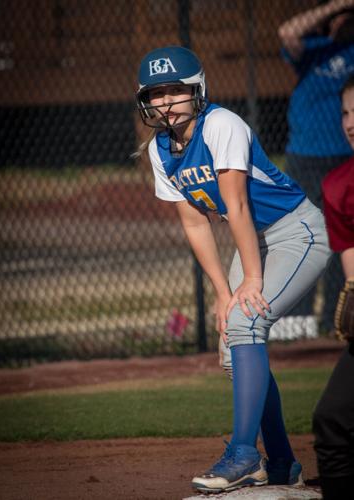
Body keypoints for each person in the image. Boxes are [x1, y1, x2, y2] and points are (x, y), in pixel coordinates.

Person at [135, 45, 332, 494]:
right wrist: (224, 292)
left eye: (175, 91)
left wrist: (252, 281)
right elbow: (194, 222)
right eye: (156, 93)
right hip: (256, 241)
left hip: (296, 232)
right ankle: (281, 462)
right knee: (233, 343)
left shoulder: (220, 124)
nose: (165, 102)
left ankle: (245, 454)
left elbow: (238, 205)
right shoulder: (160, 150)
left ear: (198, 90)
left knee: (247, 321)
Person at [278, 0, 354, 334]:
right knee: (302, 238)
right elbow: (287, 32)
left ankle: (337, 321)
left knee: (343, 241)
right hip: (305, 156)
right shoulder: (313, 48)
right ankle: (299, 324)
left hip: (344, 159)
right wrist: (338, 5)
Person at [312, 74, 354, 500]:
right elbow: (353, 273)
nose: (351, 121)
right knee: (331, 420)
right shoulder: (339, 185)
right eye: (345, 112)